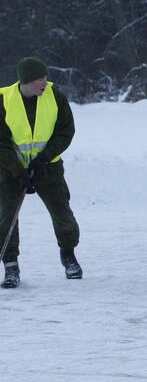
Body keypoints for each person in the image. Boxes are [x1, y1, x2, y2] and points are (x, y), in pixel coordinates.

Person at [0, 57, 83, 289]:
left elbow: (66, 131)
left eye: (45, 77)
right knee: (6, 217)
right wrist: (18, 171)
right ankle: (11, 266)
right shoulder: (4, 100)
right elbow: (1, 143)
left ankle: (68, 255)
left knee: (62, 212)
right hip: (10, 169)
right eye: (39, 79)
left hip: (48, 167)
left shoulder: (56, 96)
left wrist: (42, 159)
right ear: (26, 80)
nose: (45, 82)